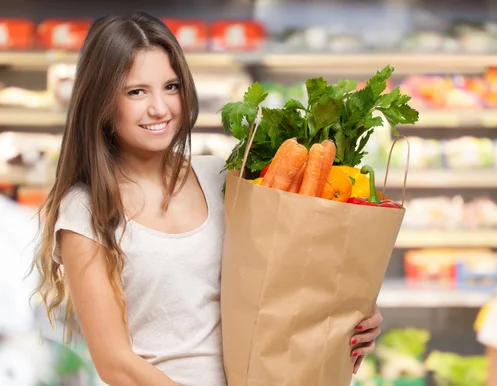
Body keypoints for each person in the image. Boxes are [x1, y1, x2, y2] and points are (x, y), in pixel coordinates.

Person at [30, 12, 383, 386]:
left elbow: (290, 278)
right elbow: (116, 364)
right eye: (137, 91)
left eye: (171, 86)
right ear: (100, 100)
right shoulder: (85, 210)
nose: (160, 108)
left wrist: (351, 315)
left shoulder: (220, 177)